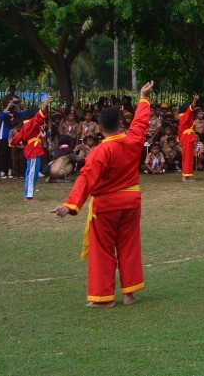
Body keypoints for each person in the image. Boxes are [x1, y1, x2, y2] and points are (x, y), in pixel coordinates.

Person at [51, 81, 154, 307]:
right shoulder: (133, 139)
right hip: (131, 202)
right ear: (119, 123)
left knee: (103, 250)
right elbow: (141, 122)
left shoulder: (100, 151)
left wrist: (70, 205)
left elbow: (86, 178)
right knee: (129, 247)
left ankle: (103, 297)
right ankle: (129, 294)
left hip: (106, 206)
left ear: (99, 128)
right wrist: (143, 97)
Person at [10, 96, 50, 201]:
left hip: (33, 148)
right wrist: (45, 105)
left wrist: (13, 144)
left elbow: (17, 138)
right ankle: (29, 196)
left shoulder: (28, 125)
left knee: (33, 172)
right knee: (32, 173)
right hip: (33, 149)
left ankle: (28, 194)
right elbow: (38, 117)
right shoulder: (31, 123)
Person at [178, 95, 198, 181]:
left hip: (186, 137)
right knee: (188, 157)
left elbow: (179, 131)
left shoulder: (183, 117)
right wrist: (195, 99)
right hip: (188, 138)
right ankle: (186, 177)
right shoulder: (185, 115)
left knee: (186, 157)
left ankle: (185, 176)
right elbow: (192, 107)